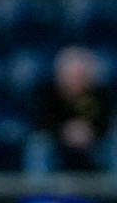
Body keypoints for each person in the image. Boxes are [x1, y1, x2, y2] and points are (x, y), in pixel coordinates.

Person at [25, 46, 114, 176]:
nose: (75, 81)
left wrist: (91, 132)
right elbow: (41, 122)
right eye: (70, 76)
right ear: (60, 75)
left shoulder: (102, 94)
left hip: (94, 144)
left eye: (80, 76)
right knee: (38, 145)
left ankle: (112, 192)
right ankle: (39, 193)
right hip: (57, 143)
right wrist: (64, 132)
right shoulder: (45, 94)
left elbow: (107, 122)